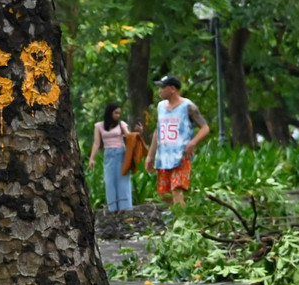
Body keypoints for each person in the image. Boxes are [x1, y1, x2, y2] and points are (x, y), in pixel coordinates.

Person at [144, 75, 210, 206]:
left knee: (176, 190)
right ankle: (175, 219)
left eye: (162, 87)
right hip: (163, 157)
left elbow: (205, 128)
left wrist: (193, 142)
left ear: (172, 89)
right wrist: (150, 156)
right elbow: (158, 131)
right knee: (164, 193)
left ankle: (183, 222)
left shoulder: (188, 106)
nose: (159, 91)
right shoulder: (161, 106)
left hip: (181, 156)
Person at [87, 102, 133, 212]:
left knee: (123, 181)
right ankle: (113, 208)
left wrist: (137, 132)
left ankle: (125, 208)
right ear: (110, 113)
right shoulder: (99, 126)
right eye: (115, 113)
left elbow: (129, 136)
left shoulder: (121, 124)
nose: (118, 115)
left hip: (121, 153)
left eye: (119, 113)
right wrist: (91, 158)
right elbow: (97, 143)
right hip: (108, 154)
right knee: (110, 181)